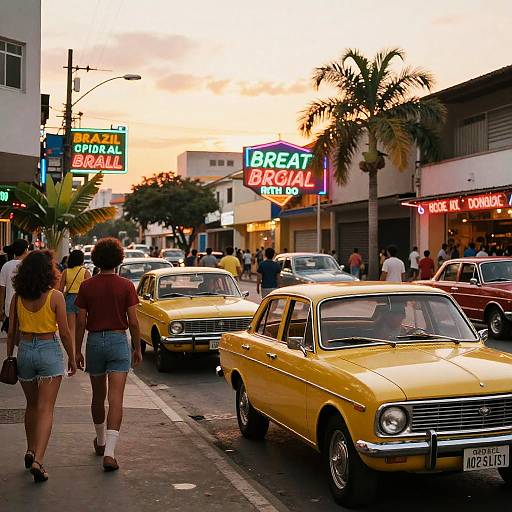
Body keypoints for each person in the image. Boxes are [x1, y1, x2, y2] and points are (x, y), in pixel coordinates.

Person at [6, 250, 76, 482]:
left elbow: (12, 331)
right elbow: (65, 333)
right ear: (49, 271)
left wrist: (10, 357)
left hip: (25, 350)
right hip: (48, 350)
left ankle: (30, 448)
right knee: (46, 408)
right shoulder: (55, 296)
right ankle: (38, 460)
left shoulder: (17, 298)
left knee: (31, 405)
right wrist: (72, 358)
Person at [75, 238, 142, 472]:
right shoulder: (126, 286)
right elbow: (133, 321)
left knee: (97, 396)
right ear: (119, 258)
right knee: (116, 399)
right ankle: (110, 453)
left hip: (94, 342)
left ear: (96, 259)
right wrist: (137, 347)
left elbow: (81, 321)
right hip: (117, 340)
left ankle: (101, 442)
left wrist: (76, 350)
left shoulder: (87, 286)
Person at [58, 250, 91, 346]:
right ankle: (78, 351)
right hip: (82, 301)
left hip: (69, 300)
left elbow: (60, 290)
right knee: (80, 328)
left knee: (71, 330)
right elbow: (90, 290)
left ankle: (72, 355)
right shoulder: (85, 272)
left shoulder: (65, 272)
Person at [0, 239, 29, 334]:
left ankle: (11, 349)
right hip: (27, 305)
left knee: (11, 335)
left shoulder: (6, 266)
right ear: (25, 250)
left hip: (9, 306)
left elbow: (2, 290)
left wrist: (1, 308)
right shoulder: (29, 265)